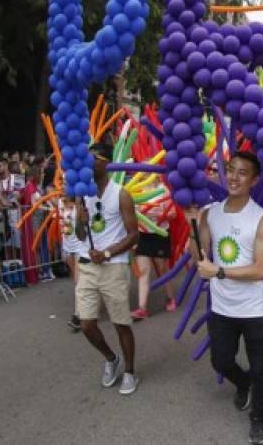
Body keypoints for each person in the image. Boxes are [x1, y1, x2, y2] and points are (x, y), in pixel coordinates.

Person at [191, 151, 263, 445]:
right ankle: (243, 384)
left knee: (260, 368)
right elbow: (200, 259)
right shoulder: (211, 213)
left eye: (242, 173)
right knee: (221, 361)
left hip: (254, 309)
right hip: (223, 307)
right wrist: (194, 227)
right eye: (230, 170)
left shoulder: (262, 220)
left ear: (254, 180)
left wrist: (219, 271)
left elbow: (260, 270)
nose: (234, 178)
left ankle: (258, 417)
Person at [77, 142, 140, 396]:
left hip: (113, 267)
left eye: (92, 158)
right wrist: (80, 221)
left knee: (121, 324)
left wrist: (107, 253)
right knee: (86, 325)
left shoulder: (121, 194)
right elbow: (81, 234)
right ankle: (110, 358)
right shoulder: (82, 194)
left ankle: (129, 371)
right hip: (88, 267)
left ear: (105, 162)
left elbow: (134, 235)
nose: (87, 163)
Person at [130, 189, 178, 321]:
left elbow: (173, 214)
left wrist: (157, 215)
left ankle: (170, 297)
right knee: (143, 271)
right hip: (143, 234)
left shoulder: (163, 190)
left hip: (160, 234)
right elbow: (132, 213)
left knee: (162, 270)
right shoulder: (137, 188)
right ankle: (142, 308)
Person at [59, 195, 89, 331]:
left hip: (80, 246)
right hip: (67, 246)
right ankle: (88, 305)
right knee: (77, 281)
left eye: (67, 184)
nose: (64, 188)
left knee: (78, 281)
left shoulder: (81, 203)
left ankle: (78, 315)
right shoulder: (61, 202)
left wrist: (77, 205)